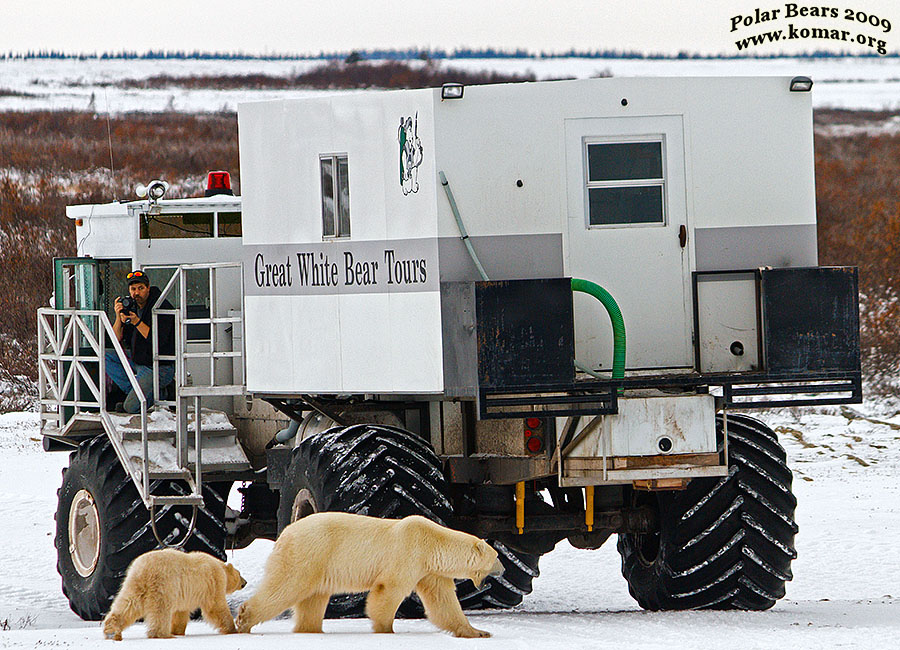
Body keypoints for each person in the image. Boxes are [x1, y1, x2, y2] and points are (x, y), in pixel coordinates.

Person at [104, 270, 175, 413]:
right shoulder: (132, 306)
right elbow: (115, 339)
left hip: (158, 366)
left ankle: (162, 392)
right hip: (138, 360)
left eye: (141, 288)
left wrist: (136, 321)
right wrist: (118, 317)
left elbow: (157, 340)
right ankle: (149, 393)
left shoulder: (161, 307)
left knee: (130, 407)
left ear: (148, 288)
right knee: (105, 355)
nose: (136, 293)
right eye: (133, 289)